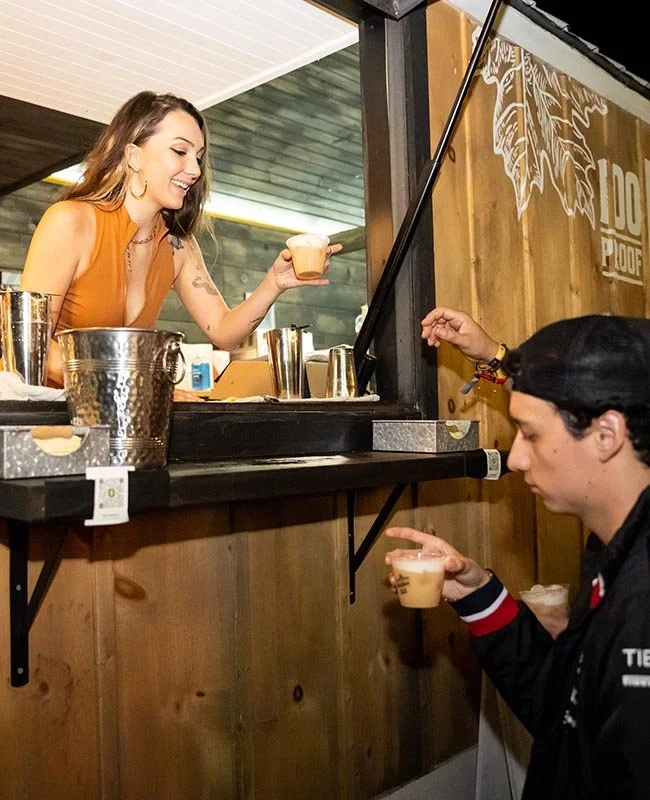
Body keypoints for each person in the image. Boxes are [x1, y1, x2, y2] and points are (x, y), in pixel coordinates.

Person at [386, 311, 650, 799]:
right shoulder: (612, 545)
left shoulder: (641, 605)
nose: (516, 458)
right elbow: (564, 716)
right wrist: (477, 594)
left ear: (607, 435)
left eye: (529, 434)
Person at [19, 91, 341, 394]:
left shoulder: (178, 246)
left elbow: (223, 331)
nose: (195, 170)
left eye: (198, 157)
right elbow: (30, 345)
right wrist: (136, 384)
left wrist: (273, 284)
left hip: (116, 415)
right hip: (44, 415)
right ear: (133, 156)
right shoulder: (71, 221)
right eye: (180, 151)